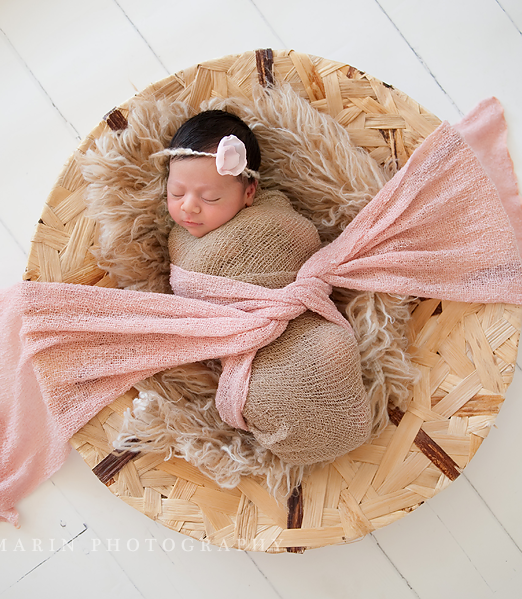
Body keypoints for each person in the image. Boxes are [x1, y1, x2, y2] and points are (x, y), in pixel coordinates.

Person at [152, 110, 372, 465]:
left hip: (298, 323)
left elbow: (303, 240)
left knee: (332, 347)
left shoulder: (273, 213)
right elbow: (191, 296)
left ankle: (345, 417)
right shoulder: (180, 243)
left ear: (249, 193)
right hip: (248, 345)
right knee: (265, 393)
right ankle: (299, 436)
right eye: (175, 193)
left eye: (209, 198)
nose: (188, 207)